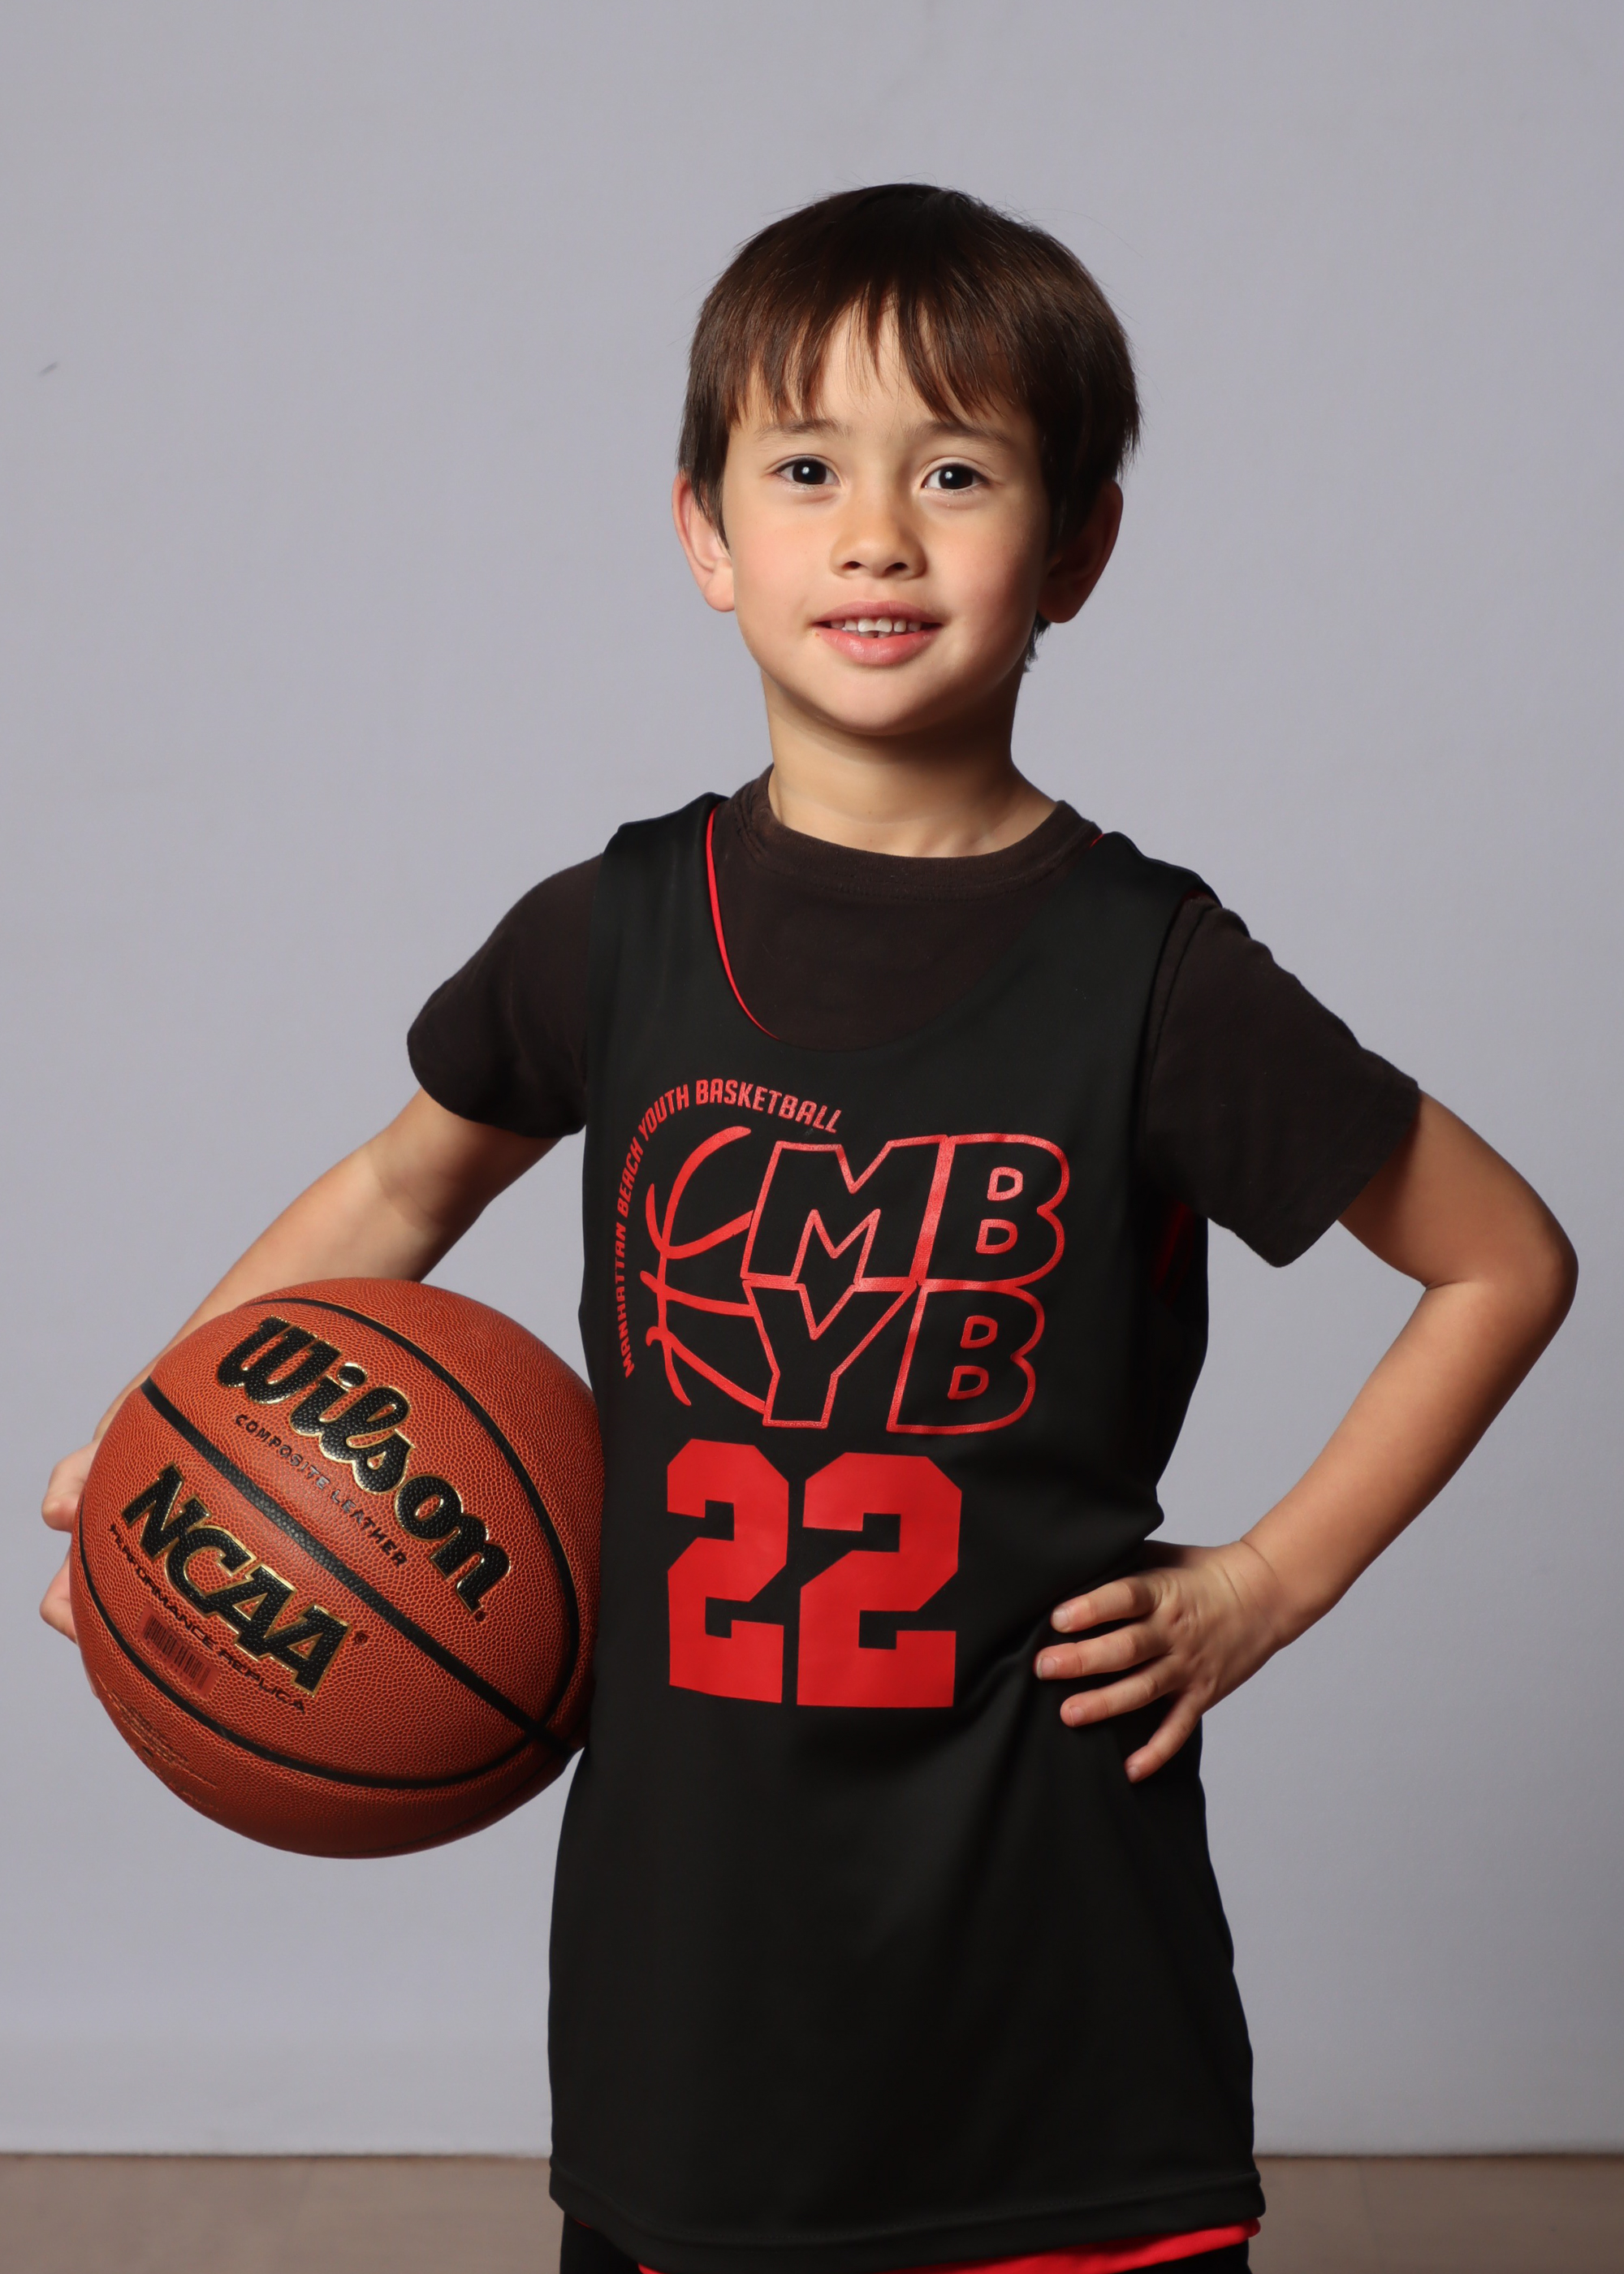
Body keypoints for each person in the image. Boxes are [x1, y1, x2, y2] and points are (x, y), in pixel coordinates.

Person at [41, 185, 1575, 2274]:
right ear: (702, 532)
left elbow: (1499, 1257)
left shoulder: (1153, 975)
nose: (875, 535)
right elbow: (401, 1185)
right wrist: (164, 1450)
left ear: (1078, 549)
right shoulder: (612, 931)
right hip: (692, 1991)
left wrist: (1265, 1583)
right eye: (804, 469)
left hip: (1050, 1970)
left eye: (955, 473)